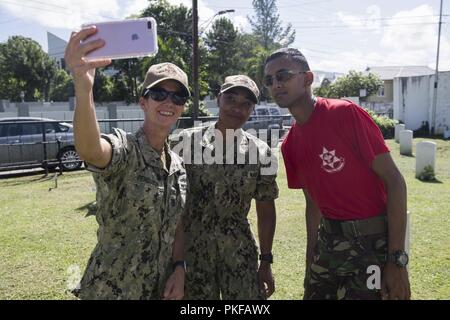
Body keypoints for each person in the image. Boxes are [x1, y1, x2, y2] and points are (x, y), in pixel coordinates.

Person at [264, 48, 411, 300]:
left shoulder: (344, 114)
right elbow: (313, 204)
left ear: (308, 78)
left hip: (372, 244)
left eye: (283, 75)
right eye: (269, 80)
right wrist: (311, 255)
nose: (276, 84)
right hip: (328, 244)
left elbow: (395, 181)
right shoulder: (290, 144)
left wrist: (397, 261)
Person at [64, 26, 190, 300]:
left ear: (182, 107)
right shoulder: (126, 150)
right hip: (111, 291)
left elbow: (176, 223)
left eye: (178, 96)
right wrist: (84, 88)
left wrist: (179, 268)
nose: (169, 101)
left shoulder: (178, 166)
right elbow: (92, 150)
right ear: (143, 102)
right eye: (159, 94)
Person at [173, 75, 279, 300]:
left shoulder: (261, 153)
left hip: (239, 252)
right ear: (218, 99)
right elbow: (173, 207)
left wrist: (266, 260)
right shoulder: (185, 143)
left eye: (245, 104)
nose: (237, 108)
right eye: (231, 99)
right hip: (193, 254)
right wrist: (176, 262)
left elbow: (266, 210)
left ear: (252, 109)